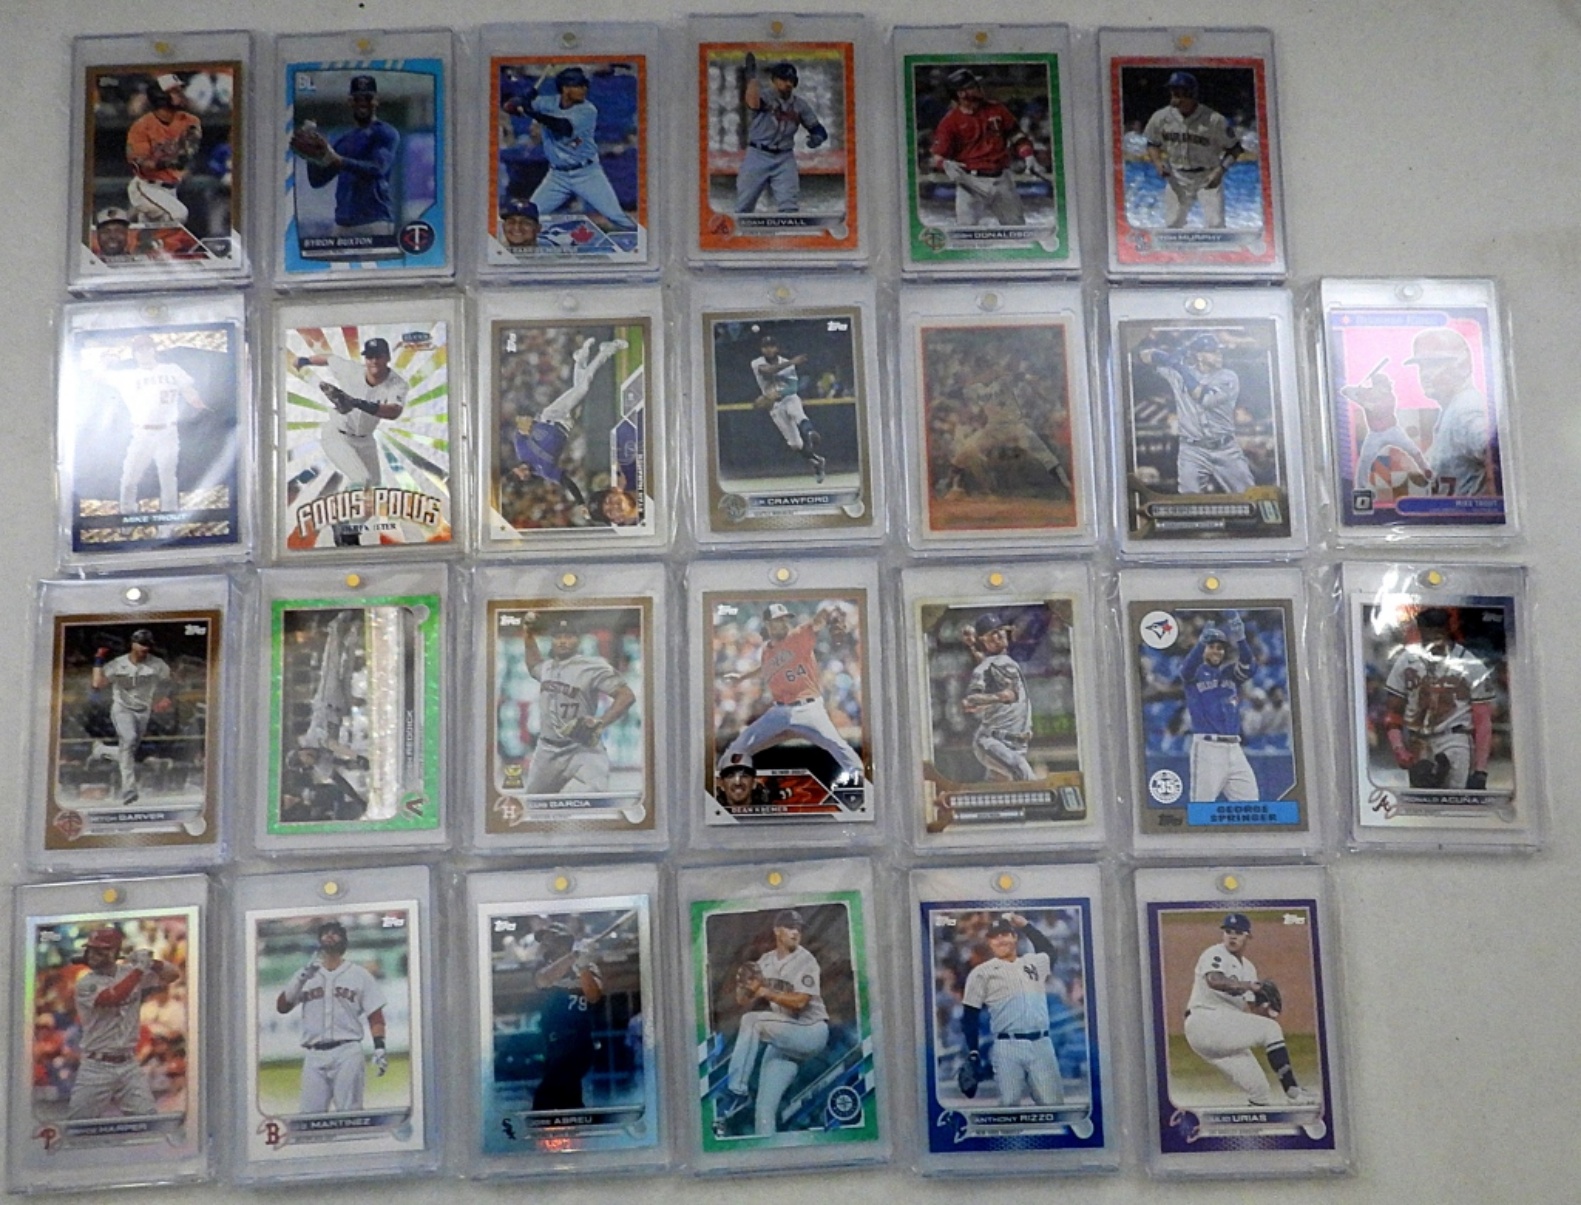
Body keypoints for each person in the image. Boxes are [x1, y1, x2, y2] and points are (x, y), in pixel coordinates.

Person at [717, 603, 863, 786]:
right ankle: (727, 783)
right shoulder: (767, 650)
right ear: (768, 624)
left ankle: (861, 781)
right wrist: (742, 677)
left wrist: (830, 610)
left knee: (838, 746)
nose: (782, 623)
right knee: (739, 747)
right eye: (777, 621)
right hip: (780, 711)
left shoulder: (798, 636)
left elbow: (817, 621)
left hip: (808, 708)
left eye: (784, 619)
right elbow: (766, 669)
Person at [1183, 913, 1318, 1107]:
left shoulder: (1248, 968)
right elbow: (1214, 980)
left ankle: (1253, 1120)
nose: (1232, 936)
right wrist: (1250, 986)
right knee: (1270, 1029)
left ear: (1248, 936)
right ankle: (1293, 1092)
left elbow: (1254, 1010)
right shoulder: (1215, 953)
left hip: (1223, 1036)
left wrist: (1268, 1010)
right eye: (1228, 931)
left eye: (1238, 932)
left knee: (1260, 1092)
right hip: (1205, 1021)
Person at [714, 910, 829, 1135]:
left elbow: (800, 1002)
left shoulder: (805, 960)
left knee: (753, 1021)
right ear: (777, 931)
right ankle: (766, 1144)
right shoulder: (765, 962)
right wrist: (742, 984)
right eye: (790, 927)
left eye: (799, 928)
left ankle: (736, 1091)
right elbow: (743, 1000)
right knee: (764, 1110)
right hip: (785, 1040)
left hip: (811, 1031)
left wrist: (764, 991)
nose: (795, 932)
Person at [503, 66, 636, 233]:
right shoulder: (548, 102)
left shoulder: (587, 110)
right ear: (565, 89)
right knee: (530, 216)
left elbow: (563, 127)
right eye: (578, 86)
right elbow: (509, 107)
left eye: (584, 85)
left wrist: (532, 112)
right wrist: (522, 100)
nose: (584, 89)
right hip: (557, 176)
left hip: (586, 173)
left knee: (616, 217)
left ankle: (638, 241)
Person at [275, 921, 388, 1114]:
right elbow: (282, 1007)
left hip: (347, 1051)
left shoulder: (359, 974)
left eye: (335, 933)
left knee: (350, 1112)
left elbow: (375, 1014)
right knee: (310, 1115)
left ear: (344, 942)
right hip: (314, 1054)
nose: (329, 936)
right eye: (325, 933)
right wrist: (301, 978)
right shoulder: (307, 973)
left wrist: (379, 1046)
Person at [67, 927, 180, 1120]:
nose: (93, 955)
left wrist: (152, 962)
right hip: (97, 1065)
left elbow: (172, 975)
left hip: (129, 1065)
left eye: (101, 950)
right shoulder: (86, 983)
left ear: (115, 951)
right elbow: (113, 997)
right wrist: (138, 969)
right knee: (79, 1124)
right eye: (91, 949)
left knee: (147, 1121)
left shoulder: (129, 972)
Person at [509, 336, 627, 512]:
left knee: (583, 387)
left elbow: (519, 427)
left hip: (551, 416)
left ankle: (608, 350)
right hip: (566, 425)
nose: (523, 474)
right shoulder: (545, 471)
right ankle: (581, 359)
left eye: (519, 475)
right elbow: (567, 483)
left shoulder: (521, 449)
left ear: (515, 470)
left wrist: (527, 423)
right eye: (523, 478)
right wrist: (580, 502)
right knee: (580, 387)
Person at [95, 333, 208, 517]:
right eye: (139, 350)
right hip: (142, 433)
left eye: (147, 348)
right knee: (129, 479)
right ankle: (127, 517)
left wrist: (196, 401)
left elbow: (187, 389)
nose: (144, 353)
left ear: (154, 350)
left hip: (168, 431)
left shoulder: (171, 369)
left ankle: (168, 522)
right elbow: (98, 377)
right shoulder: (128, 376)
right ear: (134, 354)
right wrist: (104, 361)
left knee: (168, 479)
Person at [521, 617, 636, 796]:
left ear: (578, 640)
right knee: (534, 804)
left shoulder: (592, 667)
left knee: (593, 798)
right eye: (558, 637)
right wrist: (528, 635)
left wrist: (601, 721)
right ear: (552, 640)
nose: (563, 641)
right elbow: (533, 664)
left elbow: (626, 696)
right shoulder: (546, 668)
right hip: (547, 750)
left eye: (569, 636)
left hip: (582, 748)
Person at [1383, 607, 1494, 791]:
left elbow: (1482, 720)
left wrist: (1480, 770)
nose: (1433, 640)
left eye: (1438, 633)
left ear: (1447, 631)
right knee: (1422, 800)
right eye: (1428, 634)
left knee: (1454, 799)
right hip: (1419, 740)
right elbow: (1393, 710)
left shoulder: (1470, 664)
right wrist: (1398, 748)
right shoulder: (1407, 660)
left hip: (1454, 737)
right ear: (1421, 632)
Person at [958, 915, 1065, 1106]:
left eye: (1005, 934)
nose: (1000, 940)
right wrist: (973, 1051)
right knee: (1009, 1105)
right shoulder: (981, 972)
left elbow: (1050, 951)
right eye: (995, 936)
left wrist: (1025, 925)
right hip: (1007, 1045)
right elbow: (970, 1016)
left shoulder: (1032, 962)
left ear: (1014, 937)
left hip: (1041, 1044)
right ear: (989, 942)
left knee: (1053, 1105)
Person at [1140, 333, 1255, 495]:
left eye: (1218, 351)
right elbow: (1143, 356)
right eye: (1212, 351)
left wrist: (1179, 368)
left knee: (1249, 496)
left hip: (1225, 449)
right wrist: (1173, 355)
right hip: (1192, 450)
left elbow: (1204, 398)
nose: (1218, 355)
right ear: (1199, 356)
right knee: (1188, 499)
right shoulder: (1179, 373)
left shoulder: (1227, 377)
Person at [293, 337, 408, 492]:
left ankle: (351, 506)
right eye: (370, 356)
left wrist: (356, 403)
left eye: (378, 356)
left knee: (374, 490)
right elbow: (329, 358)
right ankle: (339, 505)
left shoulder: (397, 384)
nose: (374, 361)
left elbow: (394, 411)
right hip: (337, 435)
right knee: (362, 481)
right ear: (365, 359)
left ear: (387, 358)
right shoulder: (351, 370)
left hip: (366, 440)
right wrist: (305, 360)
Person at [928, 68, 1039, 227]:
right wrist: (944, 164)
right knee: (966, 230)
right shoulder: (950, 122)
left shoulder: (997, 109)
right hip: (969, 182)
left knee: (1016, 228)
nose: (979, 88)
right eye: (973, 86)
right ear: (961, 94)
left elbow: (1016, 135)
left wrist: (1028, 154)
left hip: (1001, 178)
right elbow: (937, 155)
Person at [292, 75, 399, 238]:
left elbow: (378, 168)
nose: (362, 102)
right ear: (350, 102)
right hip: (342, 224)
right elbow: (317, 181)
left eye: (367, 98)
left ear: (376, 100)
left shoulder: (385, 132)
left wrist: (338, 160)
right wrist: (311, 157)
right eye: (357, 98)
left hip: (375, 221)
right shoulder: (344, 139)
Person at [1141, 71, 1242, 229]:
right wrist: (1158, 163)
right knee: (1172, 225)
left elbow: (1235, 148)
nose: (1174, 96)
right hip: (1177, 176)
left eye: (1178, 92)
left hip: (1207, 175)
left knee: (1215, 225)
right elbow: (1152, 143)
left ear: (1191, 94)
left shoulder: (1213, 120)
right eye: (1172, 91)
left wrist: (1220, 170)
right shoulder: (1161, 117)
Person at [943, 378, 1070, 499]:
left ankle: (1067, 485)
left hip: (1015, 427)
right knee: (966, 451)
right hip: (993, 429)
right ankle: (953, 487)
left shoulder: (1005, 387)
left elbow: (1015, 382)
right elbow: (965, 394)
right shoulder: (981, 391)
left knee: (1046, 457)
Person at [1178, 617, 1259, 803]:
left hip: (1235, 747)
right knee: (1202, 805)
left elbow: (1249, 666)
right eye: (1211, 646)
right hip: (1208, 747)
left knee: (1250, 803)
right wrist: (1200, 644)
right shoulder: (1195, 673)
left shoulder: (1229, 673)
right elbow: (1186, 670)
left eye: (1220, 648)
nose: (1216, 650)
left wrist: (1241, 639)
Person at [1406, 328, 1495, 497]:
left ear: (1462, 366)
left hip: (1472, 512)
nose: (1425, 374)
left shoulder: (1466, 408)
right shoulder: (1453, 407)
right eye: (1422, 366)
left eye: (1434, 364)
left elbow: (1497, 453)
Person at [88, 628, 171, 807]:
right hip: (122, 709)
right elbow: (97, 683)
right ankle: (129, 789)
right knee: (129, 739)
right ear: (133, 644)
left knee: (129, 752)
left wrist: (166, 697)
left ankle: (102, 751)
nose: (145, 648)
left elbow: (170, 681)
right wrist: (98, 659)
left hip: (143, 710)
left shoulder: (157, 664)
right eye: (142, 644)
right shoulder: (118, 663)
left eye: (148, 645)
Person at [735, 57, 828, 214]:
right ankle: (739, 228)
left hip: (784, 158)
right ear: (775, 80)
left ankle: (788, 228)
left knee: (789, 204)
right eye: (784, 79)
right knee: (745, 203)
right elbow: (753, 103)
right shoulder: (766, 97)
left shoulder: (799, 105)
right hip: (758, 154)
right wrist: (751, 79)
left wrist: (817, 138)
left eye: (791, 80)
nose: (788, 84)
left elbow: (818, 129)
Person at [528, 924, 604, 1111]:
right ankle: (577, 1121)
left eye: (550, 937)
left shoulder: (588, 966)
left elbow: (594, 996)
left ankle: (552, 1120)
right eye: (544, 939)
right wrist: (573, 957)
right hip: (553, 1043)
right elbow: (544, 980)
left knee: (546, 1097)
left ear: (565, 940)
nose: (545, 943)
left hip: (579, 1042)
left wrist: (583, 966)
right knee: (567, 1095)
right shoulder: (542, 965)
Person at [959, 614, 1036, 782]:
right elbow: (969, 701)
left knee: (997, 789)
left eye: (1000, 630)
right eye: (992, 633)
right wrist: (998, 697)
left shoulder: (1003, 662)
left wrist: (972, 645)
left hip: (1018, 743)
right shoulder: (983, 669)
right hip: (993, 741)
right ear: (984, 640)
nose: (999, 635)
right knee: (1023, 773)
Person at [125, 74, 201, 233]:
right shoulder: (141, 126)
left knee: (149, 233)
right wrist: (167, 162)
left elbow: (188, 152)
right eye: (174, 91)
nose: (181, 94)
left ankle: (134, 235)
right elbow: (140, 164)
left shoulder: (189, 121)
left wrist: (176, 158)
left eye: (180, 90)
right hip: (146, 187)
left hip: (171, 188)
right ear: (160, 96)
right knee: (178, 214)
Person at [1339, 368, 1432, 491]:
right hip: (1374, 434)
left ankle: (1427, 471)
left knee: (1414, 451)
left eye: (1385, 384)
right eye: (1381, 385)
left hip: (1393, 431)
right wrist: (1355, 390)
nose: (1385, 387)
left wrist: (1359, 398)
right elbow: (1345, 390)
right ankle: (1360, 488)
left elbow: (1375, 409)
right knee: (1365, 460)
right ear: (1375, 386)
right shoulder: (1368, 393)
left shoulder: (1389, 397)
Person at [749, 334, 826, 483]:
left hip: (788, 398)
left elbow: (793, 387)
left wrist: (778, 393)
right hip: (774, 406)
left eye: (771, 346)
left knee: (797, 413)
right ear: (761, 349)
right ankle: (817, 461)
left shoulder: (786, 363)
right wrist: (792, 362)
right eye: (765, 347)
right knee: (795, 444)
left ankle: (810, 432)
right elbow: (768, 371)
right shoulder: (756, 363)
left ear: (777, 348)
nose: (769, 349)